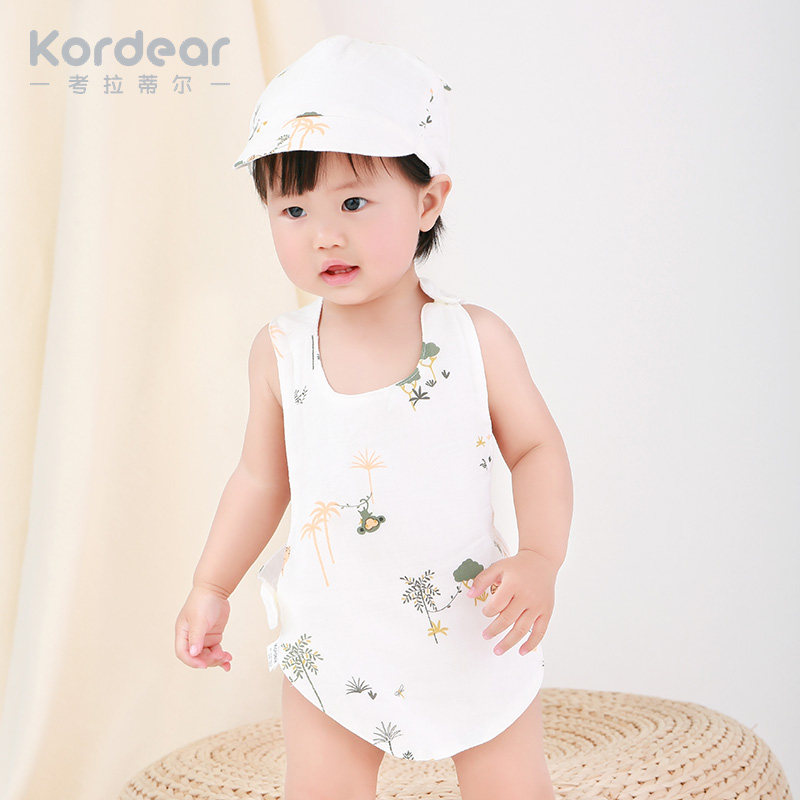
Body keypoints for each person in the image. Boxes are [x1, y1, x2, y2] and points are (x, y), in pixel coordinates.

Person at [174, 34, 572, 800]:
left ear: (427, 203)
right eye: (294, 209)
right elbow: (260, 479)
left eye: (354, 203)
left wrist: (541, 558)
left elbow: (537, 450)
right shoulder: (282, 353)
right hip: (334, 636)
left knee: (512, 786)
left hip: (471, 628)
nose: (325, 234)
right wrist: (210, 583)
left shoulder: (474, 339)